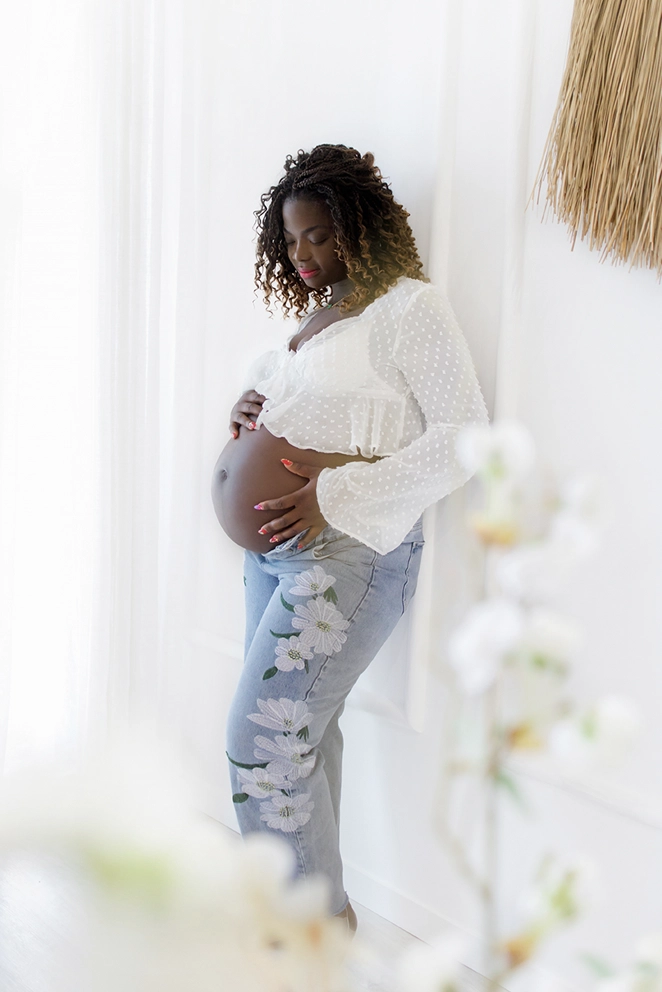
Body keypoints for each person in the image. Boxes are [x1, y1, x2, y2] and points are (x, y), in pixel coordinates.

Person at [212, 144, 490, 936]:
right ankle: (304, 911)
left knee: (260, 735)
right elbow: (320, 422)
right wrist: (250, 421)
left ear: (361, 227)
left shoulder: (407, 308)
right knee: (295, 733)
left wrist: (332, 491)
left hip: (351, 551)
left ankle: (310, 927)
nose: (304, 254)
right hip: (272, 555)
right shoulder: (312, 321)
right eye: (293, 238)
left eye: (321, 235)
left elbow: (465, 435)